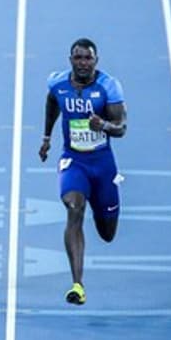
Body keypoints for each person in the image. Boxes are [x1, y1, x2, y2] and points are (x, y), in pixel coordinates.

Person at [38, 38, 126, 305]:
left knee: (107, 234)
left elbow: (121, 127)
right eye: (78, 58)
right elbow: (52, 103)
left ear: (96, 61)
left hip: (102, 165)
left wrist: (104, 126)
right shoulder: (58, 83)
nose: (83, 63)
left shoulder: (108, 87)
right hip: (73, 161)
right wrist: (46, 137)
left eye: (88, 58)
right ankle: (77, 284)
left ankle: (102, 209)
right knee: (74, 208)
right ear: (70, 60)